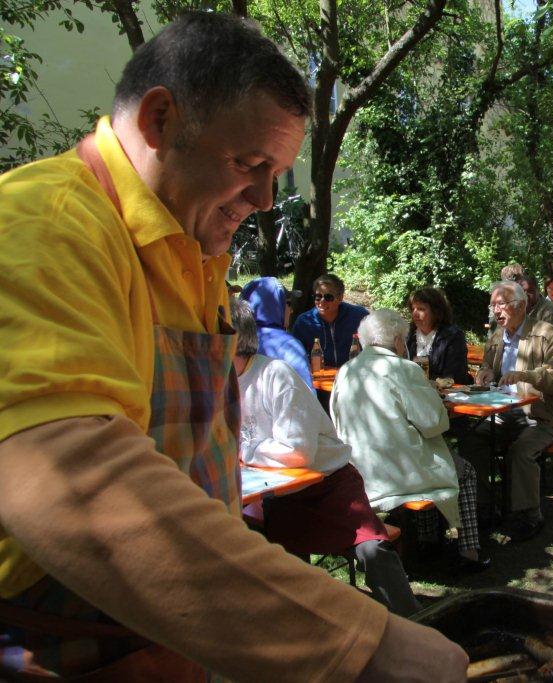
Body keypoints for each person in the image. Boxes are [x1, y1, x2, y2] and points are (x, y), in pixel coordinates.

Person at [0, 12, 465, 681]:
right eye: (251, 164)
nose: (267, 198)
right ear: (160, 119)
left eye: (277, 172)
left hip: (177, 645)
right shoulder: (44, 225)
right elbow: (73, 487)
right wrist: (356, 641)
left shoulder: (193, 249)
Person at [232, 299, 420, 616]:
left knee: (372, 549)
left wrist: (246, 450)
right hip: (279, 497)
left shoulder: (274, 375)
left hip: (329, 485)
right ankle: (311, 625)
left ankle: (414, 621)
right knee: (276, 560)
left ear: (232, 337)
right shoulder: (219, 382)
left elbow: (298, 451)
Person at [332, 310, 490, 573]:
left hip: (360, 470)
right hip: (398, 473)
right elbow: (433, 422)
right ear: (397, 341)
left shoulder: (346, 371)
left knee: (427, 456)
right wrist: (436, 402)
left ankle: (428, 540)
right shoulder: (404, 369)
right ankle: (469, 551)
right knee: (464, 471)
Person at [459, 281, 553, 541]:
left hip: (542, 415)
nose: (496, 310)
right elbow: (488, 367)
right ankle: (484, 506)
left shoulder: (545, 334)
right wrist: (485, 373)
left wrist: (529, 376)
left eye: (501, 304)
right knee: (471, 442)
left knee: (521, 452)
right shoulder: (496, 336)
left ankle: (529, 515)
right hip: (504, 413)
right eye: (493, 305)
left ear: (521, 305)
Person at [241, 276, 313, 389]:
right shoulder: (289, 345)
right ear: (276, 306)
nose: (291, 310)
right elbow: (306, 393)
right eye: (288, 303)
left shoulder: (233, 339)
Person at [292, 273, 368, 368]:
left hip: (354, 373)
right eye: (318, 297)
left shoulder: (359, 316)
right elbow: (296, 356)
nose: (322, 301)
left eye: (328, 297)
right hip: (319, 375)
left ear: (340, 298)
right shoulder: (304, 322)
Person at [405, 287, 473, 385]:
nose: (415, 314)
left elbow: (455, 376)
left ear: (436, 312)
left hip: (444, 393)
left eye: (421, 309)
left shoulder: (452, 336)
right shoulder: (408, 335)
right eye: (413, 309)